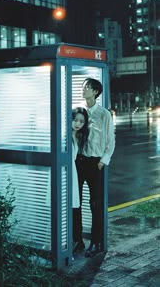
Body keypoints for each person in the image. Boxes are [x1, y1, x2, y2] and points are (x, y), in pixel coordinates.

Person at [76, 78, 115, 258]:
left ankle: (96, 242)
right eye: (83, 87)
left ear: (96, 92)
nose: (84, 90)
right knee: (76, 203)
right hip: (79, 161)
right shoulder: (79, 111)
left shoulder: (104, 114)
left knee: (95, 204)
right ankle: (78, 240)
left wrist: (103, 160)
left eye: (88, 88)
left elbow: (110, 140)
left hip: (95, 163)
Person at [71, 107, 89, 253]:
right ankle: (75, 239)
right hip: (66, 174)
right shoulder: (66, 135)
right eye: (75, 120)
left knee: (75, 207)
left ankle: (77, 240)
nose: (78, 124)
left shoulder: (78, 136)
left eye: (81, 121)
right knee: (71, 207)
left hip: (74, 174)